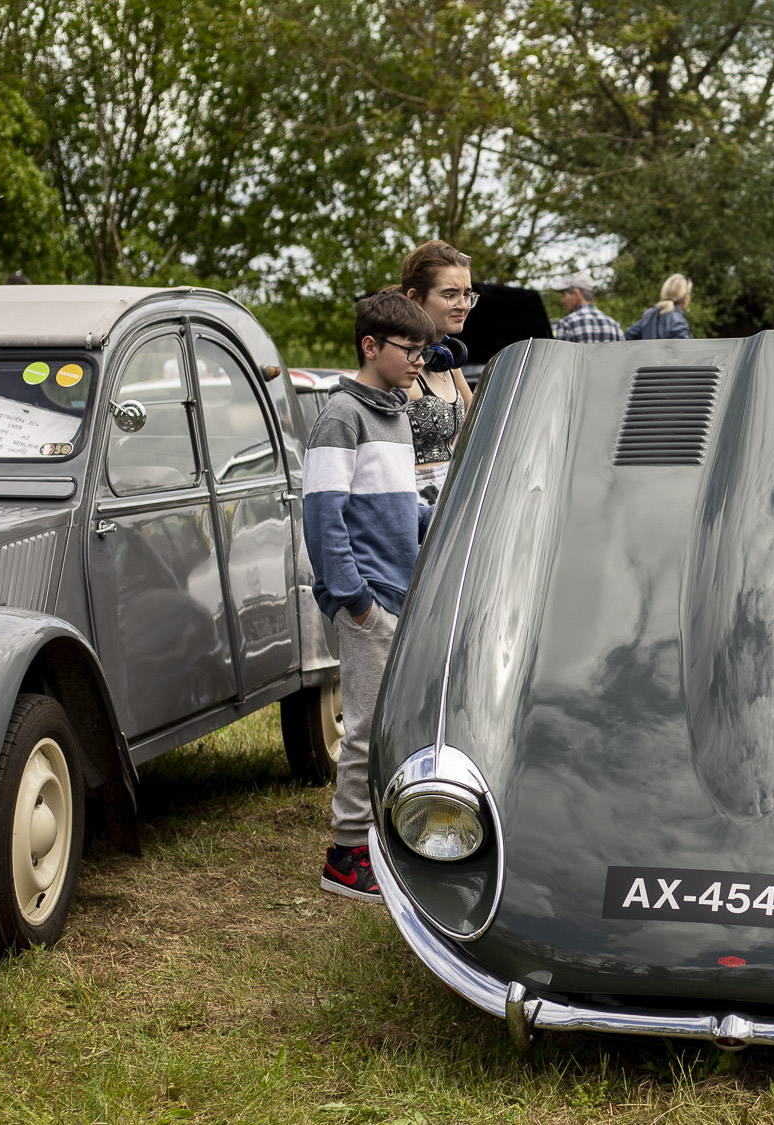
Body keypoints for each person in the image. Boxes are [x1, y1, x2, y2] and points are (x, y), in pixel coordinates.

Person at [306, 291, 437, 904]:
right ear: (371, 346)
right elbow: (323, 516)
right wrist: (353, 599)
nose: (419, 361)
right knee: (361, 729)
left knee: (392, 724)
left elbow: (403, 504)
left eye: (423, 351)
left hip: (401, 594)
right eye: (410, 351)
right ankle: (345, 855)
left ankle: (382, 841)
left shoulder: (396, 412)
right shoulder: (341, 416)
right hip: (369, 603)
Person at [398, 240, 478, 505]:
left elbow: (476, 420)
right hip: (413, 508)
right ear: (414, 298)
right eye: (450, 295)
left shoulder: (448, 361)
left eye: (467, 294)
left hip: (448, 504)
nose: (463, 304)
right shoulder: (400, 366)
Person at [555, 272, 624, 343]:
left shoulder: (566, 324)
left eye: (564, 295)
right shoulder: (614, 325)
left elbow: (559, 354)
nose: (562, 300)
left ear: (576, 294)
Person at [624, 274, 695, 340]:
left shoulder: (649, 315)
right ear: (686, 298)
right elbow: (686, 349)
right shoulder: (677, 320)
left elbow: (627, 336)